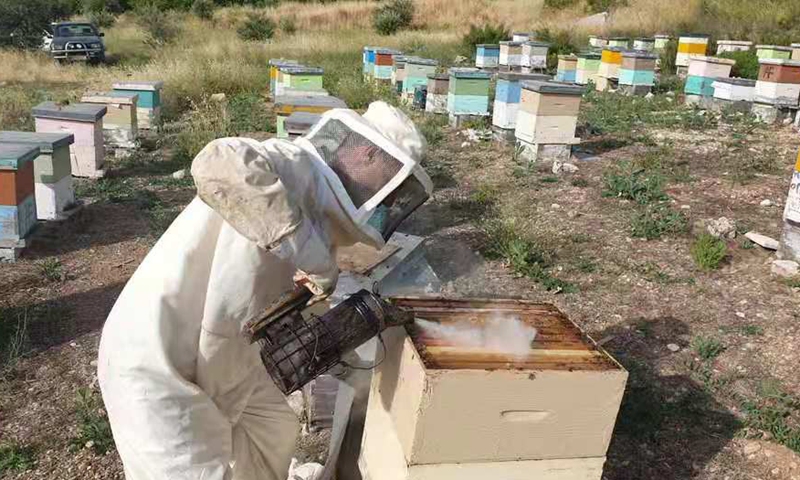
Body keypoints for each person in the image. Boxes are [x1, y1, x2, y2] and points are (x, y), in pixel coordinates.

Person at [97, 102, 433, 480]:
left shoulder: (321, 215)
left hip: (224, 358)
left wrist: (351, 355)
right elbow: (217, 162)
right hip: (157, 363)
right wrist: (312, 255)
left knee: (274, 427)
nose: (388, 202)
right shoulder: (290, 163)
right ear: (367, 152)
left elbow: (269, 309)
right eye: (391, 181)